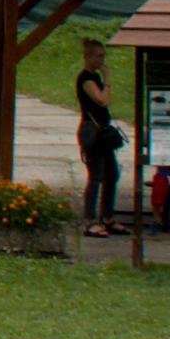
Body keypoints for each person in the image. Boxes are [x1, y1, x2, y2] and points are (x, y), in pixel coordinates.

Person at [74, 50, 121, 238]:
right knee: (96, 175)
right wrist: (108, 79)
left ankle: (107, 216)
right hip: (92, 131)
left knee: (112, 173)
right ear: (88, 57)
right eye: (98, 56)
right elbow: (103, 100)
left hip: (103, 130)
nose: (102, 60)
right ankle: (90, 221)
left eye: (103, 55)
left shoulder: (94, 77)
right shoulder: (86, 79)